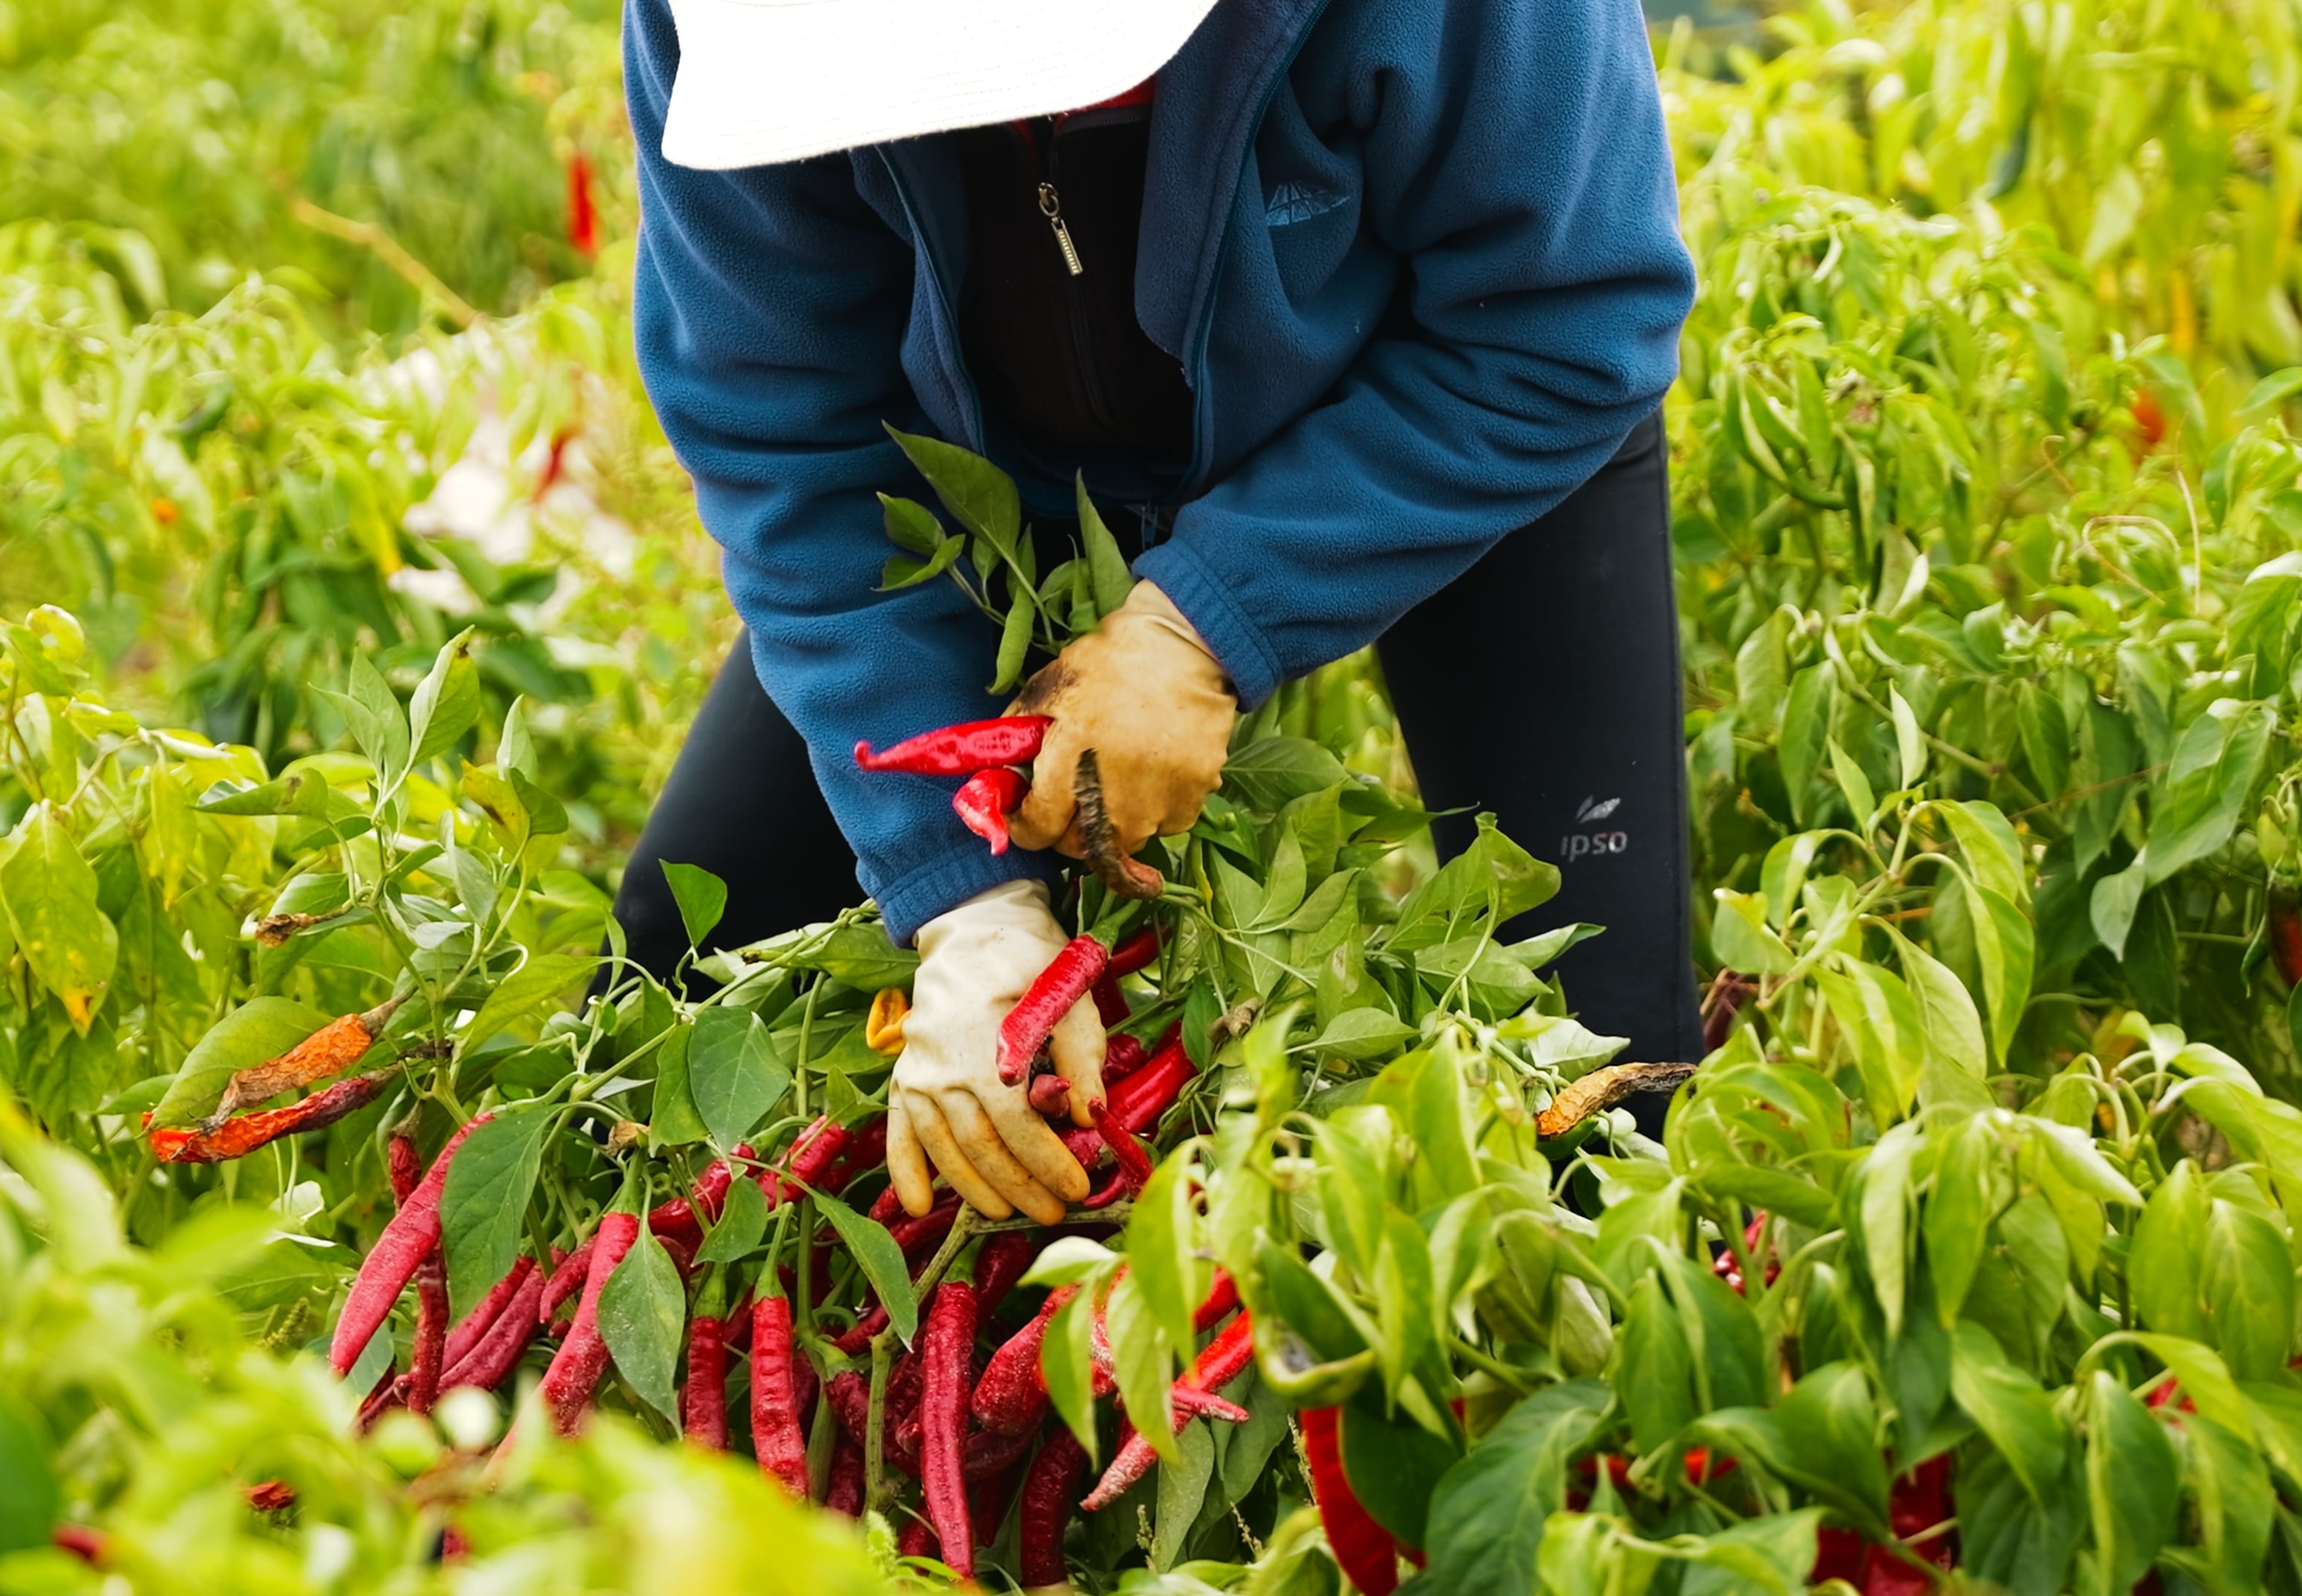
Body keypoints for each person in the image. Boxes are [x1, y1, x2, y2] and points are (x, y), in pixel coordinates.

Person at [615, 0, 1697, 1224]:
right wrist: (965, 899)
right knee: (683, 961)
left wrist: (1201, 625)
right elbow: (790, 450)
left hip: (1457, 413)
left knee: (1599, 1081)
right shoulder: (717, 23)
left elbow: (1570, 319)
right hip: (1000, 480)